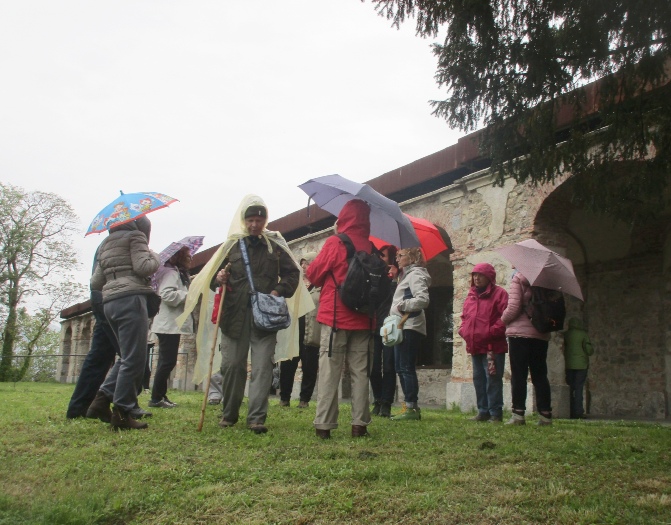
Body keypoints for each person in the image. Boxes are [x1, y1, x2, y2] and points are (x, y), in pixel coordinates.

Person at [211, 196, 300, 434]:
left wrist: (277, 291)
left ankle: (256, 418)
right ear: (244, 221)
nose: (254, 224)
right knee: (232, 366)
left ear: (265, 221)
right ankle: (229, 413)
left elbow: (293, 275)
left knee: (262, 369)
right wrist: (218, 278)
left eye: (259, 220)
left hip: (265, 318)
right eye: (250, 220)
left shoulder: (276, 245)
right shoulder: (231, 245)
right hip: (233, 317)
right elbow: (211, 278)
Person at [307, 199, 376, 439]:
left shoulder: (336, 242)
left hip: (336, 316)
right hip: (364, 319)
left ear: (344, 218)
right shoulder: (370, 246)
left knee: (330, 371)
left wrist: (336, 235)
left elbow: (313, 275)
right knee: (360, 373)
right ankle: (359, 425)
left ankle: (324, 426)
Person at [87, 216, 160, 430]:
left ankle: (101, 401)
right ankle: (122, 412)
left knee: (126, 356)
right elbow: (144, 267)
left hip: (109, 302)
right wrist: (154, 255)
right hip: (131, 299)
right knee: (135, 359)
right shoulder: (135, 236)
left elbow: (95, 282)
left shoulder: (105, 244)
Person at [458, 263, 509, 423]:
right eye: (474, 275)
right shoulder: (471, 295)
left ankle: (495, 413)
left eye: (480, 275)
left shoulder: (500, 294)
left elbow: (505, 317)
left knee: (492, 378)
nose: (476, 278)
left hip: (491, 347)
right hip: (475, 345)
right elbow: (465, 317)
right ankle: (483, 411)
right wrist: (463, 330)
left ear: (489, 277)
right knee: (478, 378)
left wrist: (491, 332)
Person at [501, 269, 553, 426]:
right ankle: (545, 415)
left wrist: (503, 319)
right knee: (540, 374)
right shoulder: (547, 280)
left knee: (519, 375)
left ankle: (518, 414)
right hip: (541, 333)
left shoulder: (518, 278)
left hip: (520, 334)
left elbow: (514, 308)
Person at [148, 246, 194, 409]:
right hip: (168, 324)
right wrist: (189, 296)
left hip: (170, 324)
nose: (190, 258)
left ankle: (160, 395)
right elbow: (166, 294)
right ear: (179, 256)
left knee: (167, 361)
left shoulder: (177, 273)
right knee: (167, 362)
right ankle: (156, 398)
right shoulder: (171, 273)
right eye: (187, 255)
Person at [389, 247, 431, 421]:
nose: (397, 259)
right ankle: (408, 406)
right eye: (397, 256)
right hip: (402, 326)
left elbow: (423, 300)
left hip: (410, 326)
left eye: (401, 255)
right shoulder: (406, 275)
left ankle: (412, 408)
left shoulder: (416, 275)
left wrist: (402, 306)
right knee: (400, 367)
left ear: (412, 258)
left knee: (406, 367)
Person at [278, 252, 320, 408]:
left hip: (312, 331)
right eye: (302, 263)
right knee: (288, 365)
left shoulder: (320, 285)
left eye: (307, 263)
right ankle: (284, 398)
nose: (303, 266)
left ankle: (304, 400)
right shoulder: (295, 284)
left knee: (310, 366)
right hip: (294, 330)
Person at [370, 244, 398, 418]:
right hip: (373, 326)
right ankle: (377, 400)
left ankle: (387, 403)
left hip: (389, 326)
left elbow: (396, 301)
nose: (381, 259)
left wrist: (394, 280)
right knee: (373, 367)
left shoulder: (396, 279)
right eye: (379, 256)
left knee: (388, 366)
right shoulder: (374, 277)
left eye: (384, 256)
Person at [564, 317, 594, 419]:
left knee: (570, 388)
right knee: (579, 388)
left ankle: (569, 410)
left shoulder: (566, 335)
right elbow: (589, 350)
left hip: (568, 364)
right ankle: (578, 411)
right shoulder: (583, 334)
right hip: (581, 364)